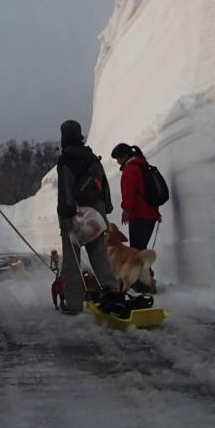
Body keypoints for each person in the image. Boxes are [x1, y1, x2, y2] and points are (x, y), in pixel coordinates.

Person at [56, 119, 117, 314]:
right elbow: (104, 186)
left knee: (72, 261)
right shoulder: (92, 157)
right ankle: (113, 296)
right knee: (100, 257)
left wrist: (66, 215)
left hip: (75, 215)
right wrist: (105, 210)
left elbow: (65, 190)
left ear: (64, 136)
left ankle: (74, 304)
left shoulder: (66, 160)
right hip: (96, 215)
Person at [110, 141, 161, 250]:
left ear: (124, 156)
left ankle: (145, 268)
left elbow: (129, 193)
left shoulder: (130, 169)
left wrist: (126, 210)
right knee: (141, 254)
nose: (117, 162)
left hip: (139, 216)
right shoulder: (142, 164)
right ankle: (146, 267)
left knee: (137, 254)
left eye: (118, 158)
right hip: (150, 214)